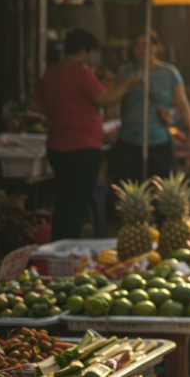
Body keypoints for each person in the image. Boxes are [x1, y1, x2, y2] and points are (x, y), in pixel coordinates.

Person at [30, 29, 141, 240]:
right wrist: (127, 85)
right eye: (89, 54)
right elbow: (105, 100)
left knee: (64, 200)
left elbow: (35, 104)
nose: (89, 59)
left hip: (56, 147)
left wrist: (60, 109)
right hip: (83, 148)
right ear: (83, 51)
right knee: (77, 203)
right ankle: (66, 249)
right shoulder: (82, 73)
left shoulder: (51, 73)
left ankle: (57, 244)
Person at [114, 30, 190, 182]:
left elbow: (182, 104)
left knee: (160, 188)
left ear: (156, 47)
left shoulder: (169, 73)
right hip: (129, 141)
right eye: (138, 45)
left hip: (160, 141)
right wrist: (128, 84)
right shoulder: (124, 72)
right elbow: (113, 101)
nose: (141, 49)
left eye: (146, 45)